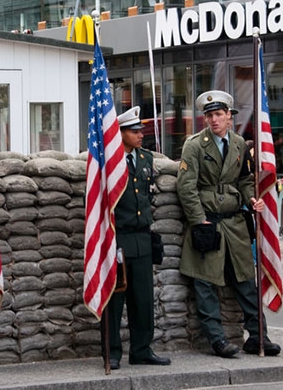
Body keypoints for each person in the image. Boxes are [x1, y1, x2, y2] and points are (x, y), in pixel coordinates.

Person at [176, 90, 281, 358]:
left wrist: (252, 198)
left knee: (245, 280)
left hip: (234, 223)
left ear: (229, 117)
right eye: (209, 115)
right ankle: (217, 339)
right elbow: (186, 186)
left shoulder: (238, 144)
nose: (213, 120)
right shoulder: (194, 145)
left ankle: (258, 336)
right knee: (205, 283)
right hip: (208, 221)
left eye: (218, 115)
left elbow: (245, 179)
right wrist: (198, 219)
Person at [105, 106, 171, 370]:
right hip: (118, 237)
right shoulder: (110, 160)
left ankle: (141, 350)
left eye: (141, 130)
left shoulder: (145, 158)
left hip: (142, 237)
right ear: (120, 133)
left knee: (143, 300)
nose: (141, 135)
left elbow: (146, 194)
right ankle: (112, 351)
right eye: (134, 131)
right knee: (115, 300)